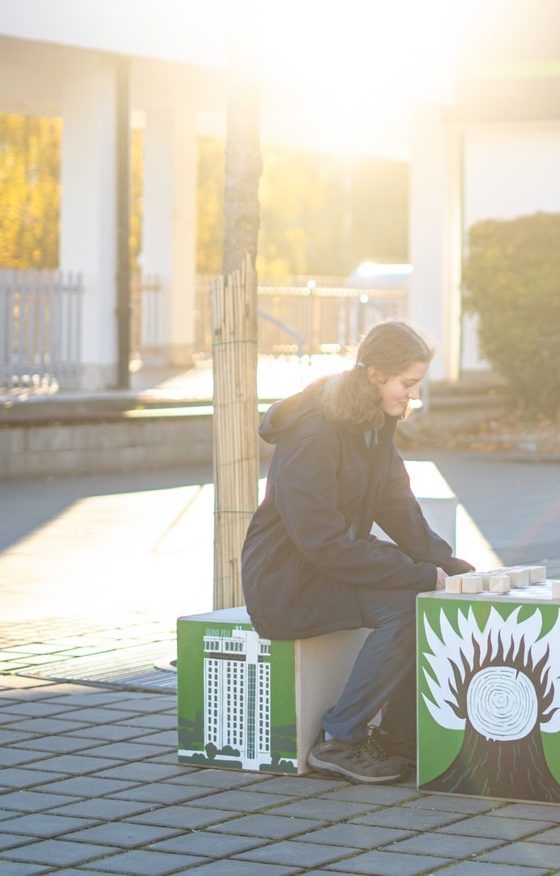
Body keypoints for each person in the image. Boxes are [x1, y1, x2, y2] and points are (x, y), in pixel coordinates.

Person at [241, 320, 472, 784]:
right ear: (374, 376)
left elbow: (398, 506)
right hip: (289, 581)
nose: (413, 395)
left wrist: (455, 569)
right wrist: (418, 574)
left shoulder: (372, 424)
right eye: (407, 383)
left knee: (432, 597)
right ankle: (339, 739)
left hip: (328, 567)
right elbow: (321, 542)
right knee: (409, 607)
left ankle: (396, 740)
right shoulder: (314, 434)